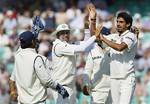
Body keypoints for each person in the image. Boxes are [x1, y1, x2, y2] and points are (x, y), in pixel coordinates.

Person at [50, 6, 100, 103]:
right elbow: (83, 48)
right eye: (62, 33)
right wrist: (95, 36)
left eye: (67, 32)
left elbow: (86, 45)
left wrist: (86, 27)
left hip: (71, 86)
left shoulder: (69, 45)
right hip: (61, 87)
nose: (65, 35)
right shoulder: (58, 46)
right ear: (57, 35)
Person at [9, 31, 69, 104]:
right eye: (34, 40)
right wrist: (59, 88)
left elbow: (12, 79)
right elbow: (46, 80)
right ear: (32, 41)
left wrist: (12, 92)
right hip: (36, 102)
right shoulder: (36, 58)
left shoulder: (18, 56)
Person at [98, 12, 138, 104]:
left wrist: (103, 38)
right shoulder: (114, 36)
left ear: (128, 24)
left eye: (121, 22)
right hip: (114, 78)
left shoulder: (131, 36)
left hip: (126, 79)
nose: (118, 24)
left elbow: (120, 47)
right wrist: (92, 21)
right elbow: (97, 37)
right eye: (117, 22)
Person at [82, 4, 111, 104]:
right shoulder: (93, 52)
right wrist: (86, 84)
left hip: (112, 91)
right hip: (97, 92)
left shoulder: (113, 50)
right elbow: (87, 70)